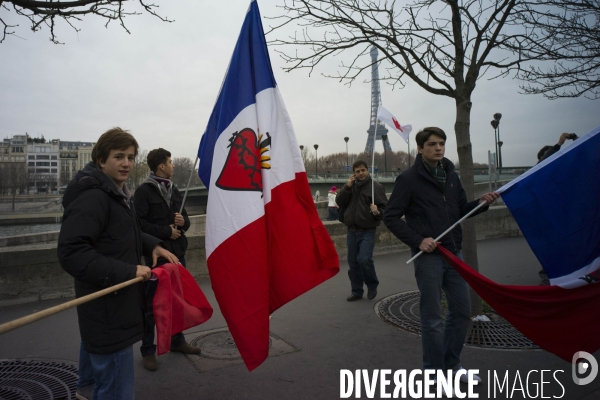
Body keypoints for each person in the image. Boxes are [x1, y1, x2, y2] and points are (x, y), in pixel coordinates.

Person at [58, 128, 179, 400]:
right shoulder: (94, 197)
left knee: (95, 347)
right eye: (119, 156)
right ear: (101, 160)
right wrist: (128, 271)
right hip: (109, 303)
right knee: (117, 387)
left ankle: (86, 389)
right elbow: (71, 253)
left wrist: (153, 245)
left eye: (131, 157)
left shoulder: (116, 192)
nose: (126, 163)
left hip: (106, 305)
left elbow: (129, 230)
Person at [383, 127, 499, 393]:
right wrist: (418, 240)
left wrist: (482, 202)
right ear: (420, 149)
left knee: (461, 312)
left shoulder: (451, 175)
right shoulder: (408, 179)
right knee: (432, 316)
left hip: (453, 253)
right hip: (429, 256)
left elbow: (460, 211)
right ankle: (433, 372)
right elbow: (390, 216)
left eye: (442, 143)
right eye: (432, 144)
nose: (438, 148)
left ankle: (452, 364)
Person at [134, 148, 200, 371]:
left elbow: (187, 224)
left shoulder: (175, 189)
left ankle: (177, 341)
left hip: (177, 254)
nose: (173, 165)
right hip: (157, 257)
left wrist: (183, 222)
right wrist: (165, 231)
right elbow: (138, 226)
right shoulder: (144, 192)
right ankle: (147, 350)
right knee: (153, 305)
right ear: (161, 166)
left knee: (177, 301)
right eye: (170, 162)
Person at [335, 160, 388, 301]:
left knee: (364, 259)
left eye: (363, 170)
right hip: (352, 230)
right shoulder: (350, 187)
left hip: (367, 230)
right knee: (353, 263)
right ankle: (356, 291)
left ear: (368, 170)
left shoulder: (375, 187)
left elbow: (385, 209)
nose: (361, 173)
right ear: (354, 173)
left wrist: (377, 212)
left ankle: (372, 285)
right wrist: (347, 187)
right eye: (357, 171)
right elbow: (339, 201)